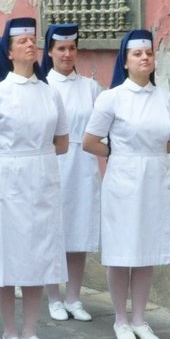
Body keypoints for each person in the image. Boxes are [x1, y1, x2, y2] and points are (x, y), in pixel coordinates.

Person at [0, 16, 68, 339]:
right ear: (8, 52)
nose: (30, 44)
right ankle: (10, 332)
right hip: (10, 176)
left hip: (43, 175)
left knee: (39, 254)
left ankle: (31, 331)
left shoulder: (50, 93)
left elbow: (63, 141)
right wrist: (6, 161)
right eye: (22, 41)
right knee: (10, 255)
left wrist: (37, 161)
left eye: (33, 40)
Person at [82, 30, 170, 339]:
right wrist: (122, 156)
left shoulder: (164, 98)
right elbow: (90, 141)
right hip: (123, 178)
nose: (144, 59)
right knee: (122, 249)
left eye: (149, 54)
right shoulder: (111, 98)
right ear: (125, 61)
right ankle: (120, 319)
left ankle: (140, 318)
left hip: (154, 177)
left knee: (146, 249)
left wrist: (148, 158)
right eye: (137, 54)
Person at [42, 23, 101, 321]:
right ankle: (53, 296)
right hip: (53, 161)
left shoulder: (90, 87)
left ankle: (74, 296)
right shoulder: (43, 87)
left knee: (79, 230)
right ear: (50, 51)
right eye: (61, 48)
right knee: (54, 231)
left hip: (83, 163)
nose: (67, 54)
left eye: (72, 48)